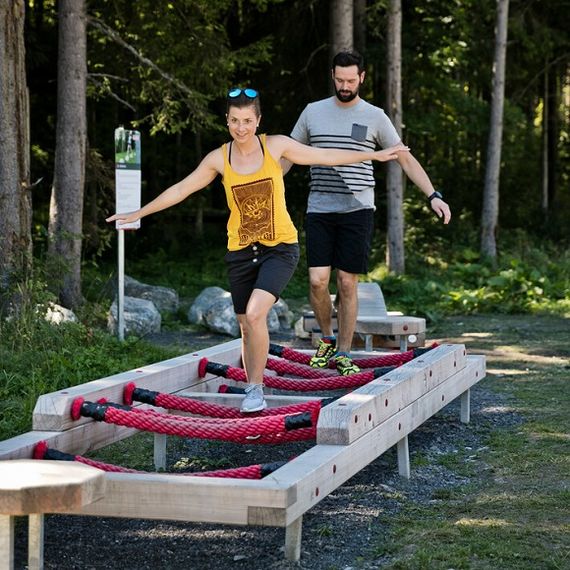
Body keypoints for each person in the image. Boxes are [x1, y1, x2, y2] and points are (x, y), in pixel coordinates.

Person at [106, 87, 409, 413]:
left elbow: (325, 156)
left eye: (247, 120)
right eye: (235, 120)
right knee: (245, 325)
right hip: (239, 251)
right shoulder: (218, 158)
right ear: (227, 121)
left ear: (258, 120)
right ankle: (254, 381)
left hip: (279, 248)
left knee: (254, 314)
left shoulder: (275, 146)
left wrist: (372, 155)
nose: (241, 127)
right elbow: (182, 188)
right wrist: (138, 212)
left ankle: (255, 389)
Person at [288, 50, 451, 376]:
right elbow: (287, 154)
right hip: (319, 206)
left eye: (351, 80)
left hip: (358, 210)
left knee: (347, 283)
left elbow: (403, 157)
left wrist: (432, 194)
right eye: (339, 79)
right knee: (318, 281)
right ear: (332, 76)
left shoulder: (375, 116)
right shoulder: (312, 112)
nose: (345, 85)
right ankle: (326, 338)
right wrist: (263, 186)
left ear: (362, 77)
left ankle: (344, 353)